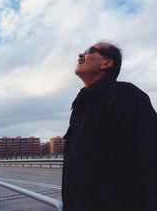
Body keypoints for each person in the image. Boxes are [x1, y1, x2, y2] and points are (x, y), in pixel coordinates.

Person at [62, 41, 157, 211]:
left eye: (89, 51)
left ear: (107, 63)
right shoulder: (80, 105)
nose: (80, 54)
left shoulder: (125, 95)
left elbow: (152, 155)